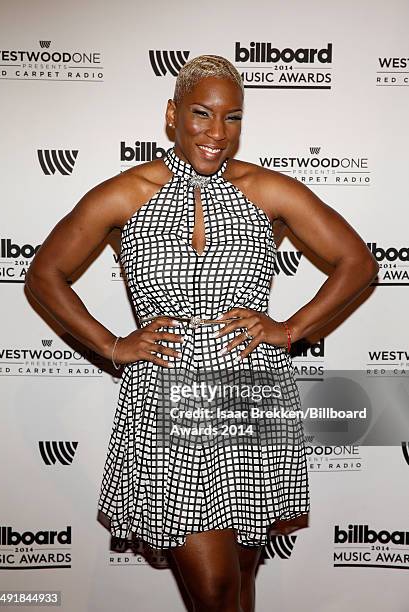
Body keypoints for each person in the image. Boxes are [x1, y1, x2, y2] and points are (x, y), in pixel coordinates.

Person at [25, 55, 379, 612]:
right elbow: (44, 275)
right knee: (214, 588)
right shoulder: (128, 193)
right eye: (201, 113)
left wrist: (289, 329)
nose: (217, 132)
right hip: (168, 404)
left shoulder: (266, 189)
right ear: (172, 115)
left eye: (232, 117)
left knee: (238, 581)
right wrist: (113, 345)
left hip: (251, 399)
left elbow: (356, 262)